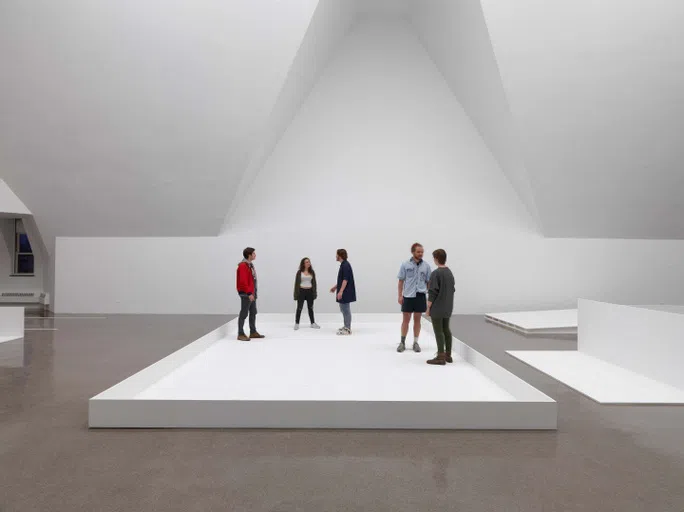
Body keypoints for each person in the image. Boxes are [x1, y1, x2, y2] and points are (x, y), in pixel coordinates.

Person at [396, 243, 432, 353]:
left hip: (420, 295)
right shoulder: (405, 265)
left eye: (422, 252)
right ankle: (402, 342)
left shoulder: (426, 266)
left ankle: (416, 342)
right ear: (413, 252)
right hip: (408, 296)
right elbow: (401, 281)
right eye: (418, 252)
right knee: (405, 320)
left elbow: (428, 283)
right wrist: (399, 295)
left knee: (417, 320)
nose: (421, 254)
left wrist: (429, 297)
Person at [426, 248, 455, 365]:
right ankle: (448, 355)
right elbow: (452, 289)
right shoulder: (449, 273)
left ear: (436, 259)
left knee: (438, 331)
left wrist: (428, 308)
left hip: (437, 308)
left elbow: (432, 292)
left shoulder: (436, 273)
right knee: (446, 329)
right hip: (448, 306)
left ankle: (440, 356)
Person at [236, 247, 265, 341]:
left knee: (253, 312)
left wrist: (253, 292)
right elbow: (243, 281)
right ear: (249, 255)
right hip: (246, 294)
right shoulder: (243, 266)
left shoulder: (250, 265)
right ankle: (240, 333)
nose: (255, 255)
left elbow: (253, 280)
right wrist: (249, 293)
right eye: (253, 254)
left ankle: (253, 332)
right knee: (244, 313)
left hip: (252, 293)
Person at [330, 249, 356, 335]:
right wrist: (335, 287)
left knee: (346, 310)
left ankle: (348, 329)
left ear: (340, 255)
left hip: (346, 291)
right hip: (344, 290)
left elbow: (345, 280)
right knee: (343, 309)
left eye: (336, 255)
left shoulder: (345, 265)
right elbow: (342, 280)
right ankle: (346, 326)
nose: (335, 256)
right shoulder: (343, 265)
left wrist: (340, 291)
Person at [293, 257, 321, 330]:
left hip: (310, 292)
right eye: (306, 262)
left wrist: (315, 293)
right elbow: (296, 284)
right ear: (303, 264)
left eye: (309, 262)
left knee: (310, 308)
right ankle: (297, 323)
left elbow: (314, 283)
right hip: (301, 291)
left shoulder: (312, 272)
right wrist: (295, 294)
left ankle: (313, 323)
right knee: (299, 308)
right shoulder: (299, 272)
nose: (308, 263)